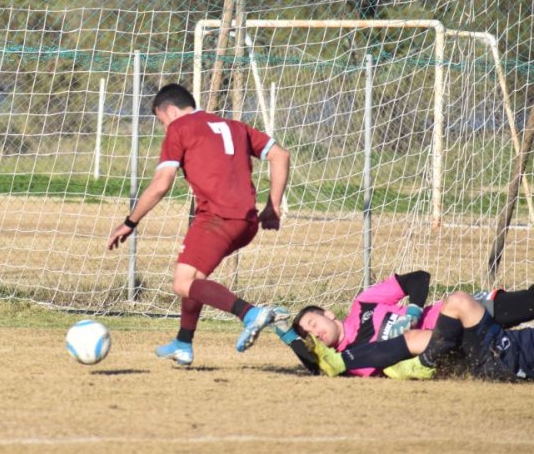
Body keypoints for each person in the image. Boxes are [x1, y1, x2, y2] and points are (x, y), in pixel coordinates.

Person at [106, 83, 291, 365]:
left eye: (161, 120)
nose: (163, 127)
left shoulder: (179, 129)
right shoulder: (234, 126)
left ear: (169, 110)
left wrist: (130, 222)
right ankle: (183, 342)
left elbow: (160, 185)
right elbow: (281, 154)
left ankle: (251, 314)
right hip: (247, 222)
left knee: (183, 283)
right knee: (194, 279)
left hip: (216, 219)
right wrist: (273, 205)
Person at [285, 275, 534, 379]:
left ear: (328, 314)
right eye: (311, 335)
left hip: (454, 314)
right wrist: (282, 330)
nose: (315, 332)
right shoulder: (357, 360)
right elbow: (313, 364)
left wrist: (414, 310)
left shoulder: (363, 304)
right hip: (449, 347)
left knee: (529, 303)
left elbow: (419, 278)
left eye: (313, 323)